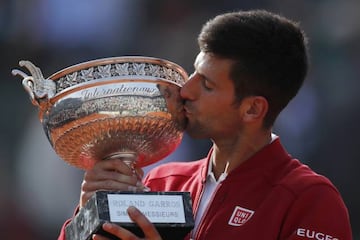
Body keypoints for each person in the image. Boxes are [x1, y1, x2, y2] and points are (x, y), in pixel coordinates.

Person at [58, 9, 352, 240]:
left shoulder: (308, 200)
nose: (186, 90)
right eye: (194, 73)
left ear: (252, 109)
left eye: (207, 85)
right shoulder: (161, 183)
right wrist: (88, 215)